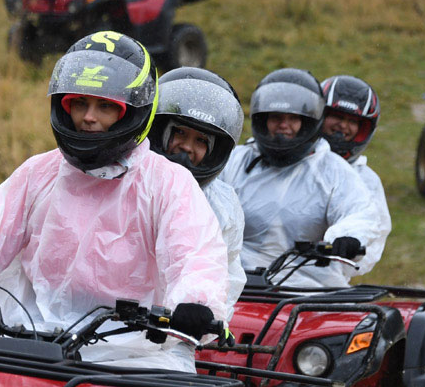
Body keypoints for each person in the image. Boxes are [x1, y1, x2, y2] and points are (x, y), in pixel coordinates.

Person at [0, 31, 231, 383]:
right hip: (23, 341)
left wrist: (195, 303)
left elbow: (195, 255)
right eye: (79, 103)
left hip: (131, 357)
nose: (89, 117)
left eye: (106, 106)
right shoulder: (38, 172)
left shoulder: (167, 183)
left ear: (133, 111)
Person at [220, 68, 379, 289]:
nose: (283, 125)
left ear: (308, 122)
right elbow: (204, 205)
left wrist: (347, 237)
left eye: (292, 118)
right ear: (262, 119)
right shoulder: (235, 161)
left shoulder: (334, 169)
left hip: (309, 290)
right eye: (276, 117)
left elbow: (360, 213)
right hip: (233, 285)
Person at [147, 67, 247, 311]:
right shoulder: (130, 179)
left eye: (201, 140)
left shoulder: (222, 203)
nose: (186, 147)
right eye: (179, 132)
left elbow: (226, 273)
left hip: (172, 331)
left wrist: (202, 310)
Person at [319, 75, 390, 283]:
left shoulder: (366, 181)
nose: (343, 126)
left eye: (352, 122)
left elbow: (373, 238)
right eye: (338, 117)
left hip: (322, 282)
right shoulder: (290, 163)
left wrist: (348, 244)